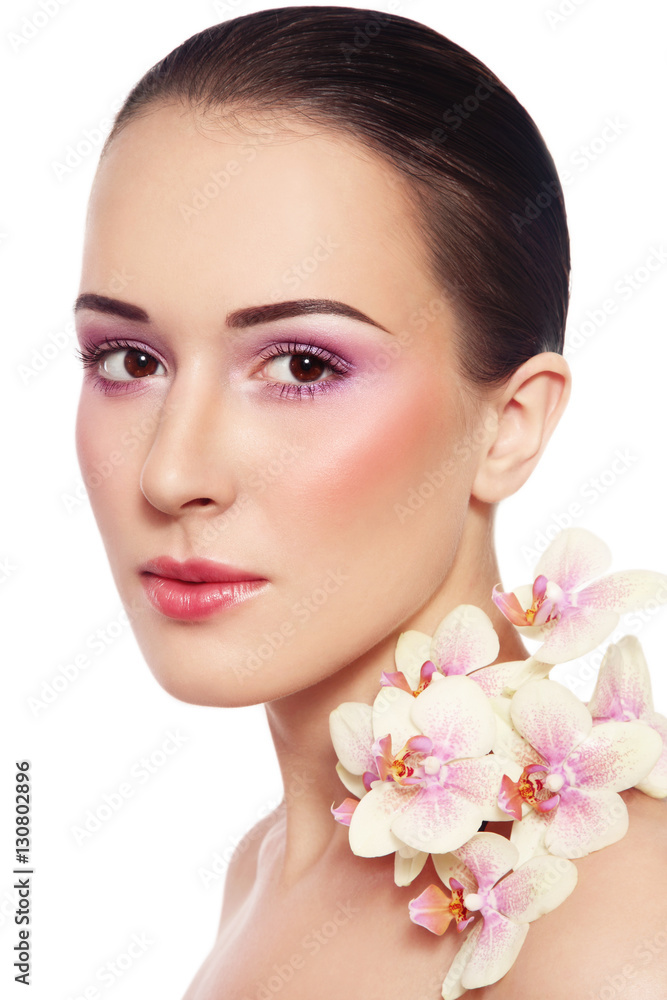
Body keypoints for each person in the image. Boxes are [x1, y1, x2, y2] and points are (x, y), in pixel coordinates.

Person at [73, 6, 667, 997]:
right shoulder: (269, 867)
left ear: (509, 424)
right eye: (128, 359)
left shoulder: (611, 928)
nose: (171, 474)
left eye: (303, 363)